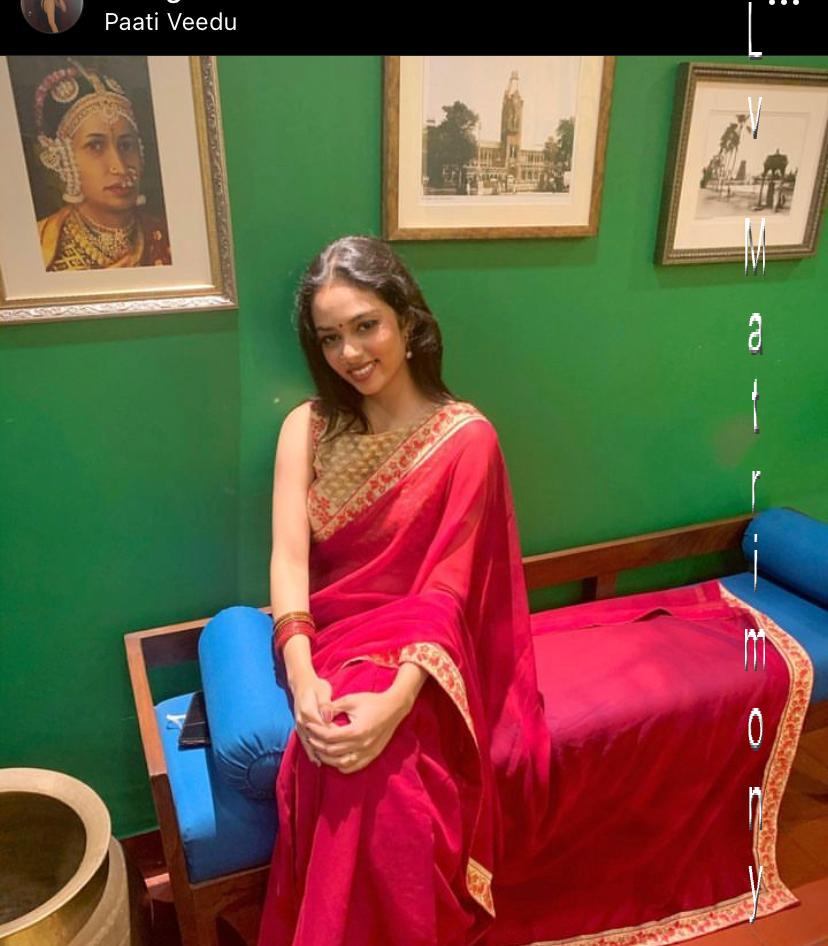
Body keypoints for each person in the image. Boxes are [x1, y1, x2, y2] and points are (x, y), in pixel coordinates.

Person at [257, 235, 554, 946]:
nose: (350, 353)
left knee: (373, 769)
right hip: (327, 640)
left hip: (427, 655)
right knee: (340, 747)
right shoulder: (308, 427)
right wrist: (301, 676)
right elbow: (289, 561)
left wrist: (396, 700)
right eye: (330, 337)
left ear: (408, 321)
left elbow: (449, 591)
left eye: (367, 326)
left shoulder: (466, 439)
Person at [32, 58, 171, 271]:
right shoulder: (41, 247)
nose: (120, 167)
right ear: (63, 159)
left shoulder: (167, 237)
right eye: (95, 146)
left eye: (126, 145)